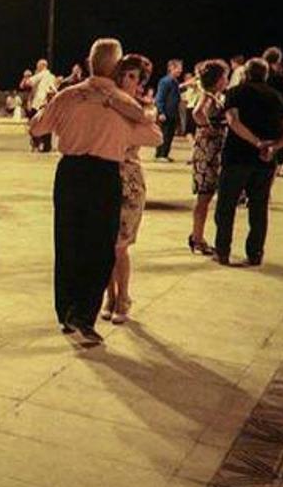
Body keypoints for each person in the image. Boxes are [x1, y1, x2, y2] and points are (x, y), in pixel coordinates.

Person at [29, 37, 162, 346]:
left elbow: (37, 128)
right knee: (100, 248)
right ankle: (84, 316)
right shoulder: (121, 103)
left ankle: (66, 313)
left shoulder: (68, 95)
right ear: (116, 66)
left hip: (70, 172)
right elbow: (153, 134)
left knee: (68, 243)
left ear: (90, 62)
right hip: (104, 175)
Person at [212, 57, 283, 266]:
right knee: (259, 208)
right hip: (265, 162)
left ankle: (222, 251)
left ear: (246, 74)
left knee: (226, 206)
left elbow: (233, 121)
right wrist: (272, 147)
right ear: (266, 75)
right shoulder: (277, 97)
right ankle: (255, 253)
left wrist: (256, 143)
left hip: (237, 157)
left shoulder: (235, 93)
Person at [102, 55, 155, 324]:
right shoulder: (108, 105)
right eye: (126, 75)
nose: (129, 81)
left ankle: (123, 297)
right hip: (106, 175)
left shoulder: (142, 109)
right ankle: (109, 296)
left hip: (130, 180)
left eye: (135, 77)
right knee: (106, 244)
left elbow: (154, 134)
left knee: (120, 246)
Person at [188, 60, 229, 255]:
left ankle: (197, 236)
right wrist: (209, 129)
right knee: (205, 196)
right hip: (208, 151)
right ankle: (197, 238)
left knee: (206, 195)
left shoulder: (214, 95)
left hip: (210, 149)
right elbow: (197, 113)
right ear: (217, 79)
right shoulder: (210, 96)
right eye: (224, 76)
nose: (227, 80)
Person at [23, 60, 58, 151]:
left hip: (39, 103)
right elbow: (54, 89)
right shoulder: (52, 76)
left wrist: (26, 77)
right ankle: (47, 146)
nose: (37, 67)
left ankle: (36, 143)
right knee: (47, 125)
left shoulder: (42, 74)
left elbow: (28, 83)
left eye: (38, 66)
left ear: (43, 66)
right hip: (48, 103)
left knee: (34, 123)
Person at [153, 59, 183, 161]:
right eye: (178, 68)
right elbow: (159, 97)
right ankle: (160, 154)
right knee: (164, 134)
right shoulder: (165, 81)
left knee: (169, 135)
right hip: (166, 113)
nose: (180, 70)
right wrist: (161, 112)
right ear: (171, 68)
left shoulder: (174, 81)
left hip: (173, 113)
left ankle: (165, 154)